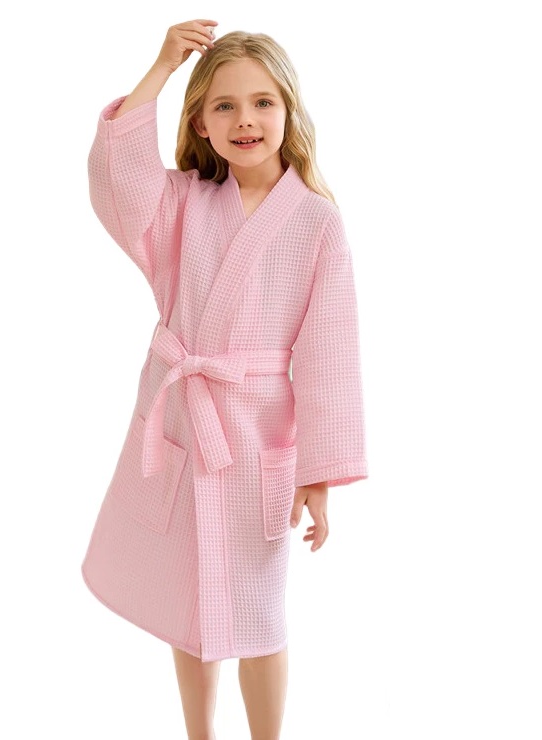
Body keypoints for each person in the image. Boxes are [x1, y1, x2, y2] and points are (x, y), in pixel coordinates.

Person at [81, 18, 369, 740]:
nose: (246, 120)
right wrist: (160, 67)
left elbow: (330, 354)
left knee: (259, 612)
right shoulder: (180, 203)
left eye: (263, 102)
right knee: (190, 602)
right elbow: (118, 180)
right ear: (200, 124)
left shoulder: (316, 223)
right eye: (225, 105)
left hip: (256, 437)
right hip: (184, 420)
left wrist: (319, 473)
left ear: (289, 111)